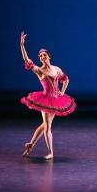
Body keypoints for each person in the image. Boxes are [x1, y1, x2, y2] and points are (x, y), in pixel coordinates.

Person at [19, 32, 76, 160]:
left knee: (45, 125)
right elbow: (27, 60)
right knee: (48, 126)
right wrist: (22, 45)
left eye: (44, 55)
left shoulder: (56, 69)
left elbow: (65, 79)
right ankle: (50, 152)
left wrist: (62, 91)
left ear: (49, 56)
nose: (42, 57)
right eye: (40, 56)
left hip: (56, 100)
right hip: (44, 100)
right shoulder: (39, 70)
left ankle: (30, 145)